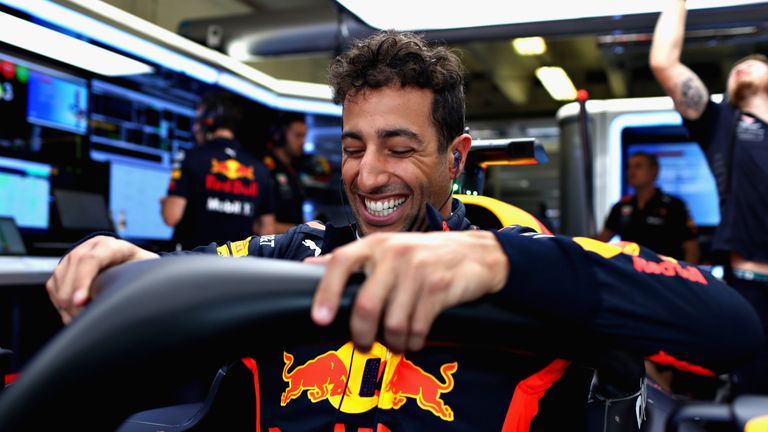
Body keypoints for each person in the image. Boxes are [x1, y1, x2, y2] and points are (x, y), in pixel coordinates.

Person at [47, 31, 761, 430]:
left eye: (399, 147)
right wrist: (125, 262)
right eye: (355, 148)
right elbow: (180, 277)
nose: (368, 174)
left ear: (455, 157)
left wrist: (500, 264)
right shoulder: (295, 252)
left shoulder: (531, 263)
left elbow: (731, 328)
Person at [650, 0, 768, 396]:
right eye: (737, 67)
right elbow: (665, 63)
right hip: (753, 288)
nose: (741, 66)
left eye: (754, 62)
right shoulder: (723, 124)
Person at [161, 91, 276, 249]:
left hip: (191, 263)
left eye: (197, 120)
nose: (195, 127)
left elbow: (171, 217)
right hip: (238, 266)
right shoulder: (261, 169)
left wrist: (164, 203)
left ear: (209, 121)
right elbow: (267, 230)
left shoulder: (188, 157)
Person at [597, 152, 699, 263]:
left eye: (638, 166)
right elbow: (601, 241)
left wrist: (685, 278)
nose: (631, 172)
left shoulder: (674, 206)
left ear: (654, 171)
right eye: (629, 167)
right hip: (629, 274)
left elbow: (691, 248)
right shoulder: (620, 207)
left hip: (664, 274)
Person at [263, 113, 307, 233]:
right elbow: (263, 227)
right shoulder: (267, 169)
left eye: (304, 136)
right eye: (298, 136)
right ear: (281, 135)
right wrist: (303, 230)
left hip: (292, 243)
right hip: (274, 246)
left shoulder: (294, 169)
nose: (303, 141)